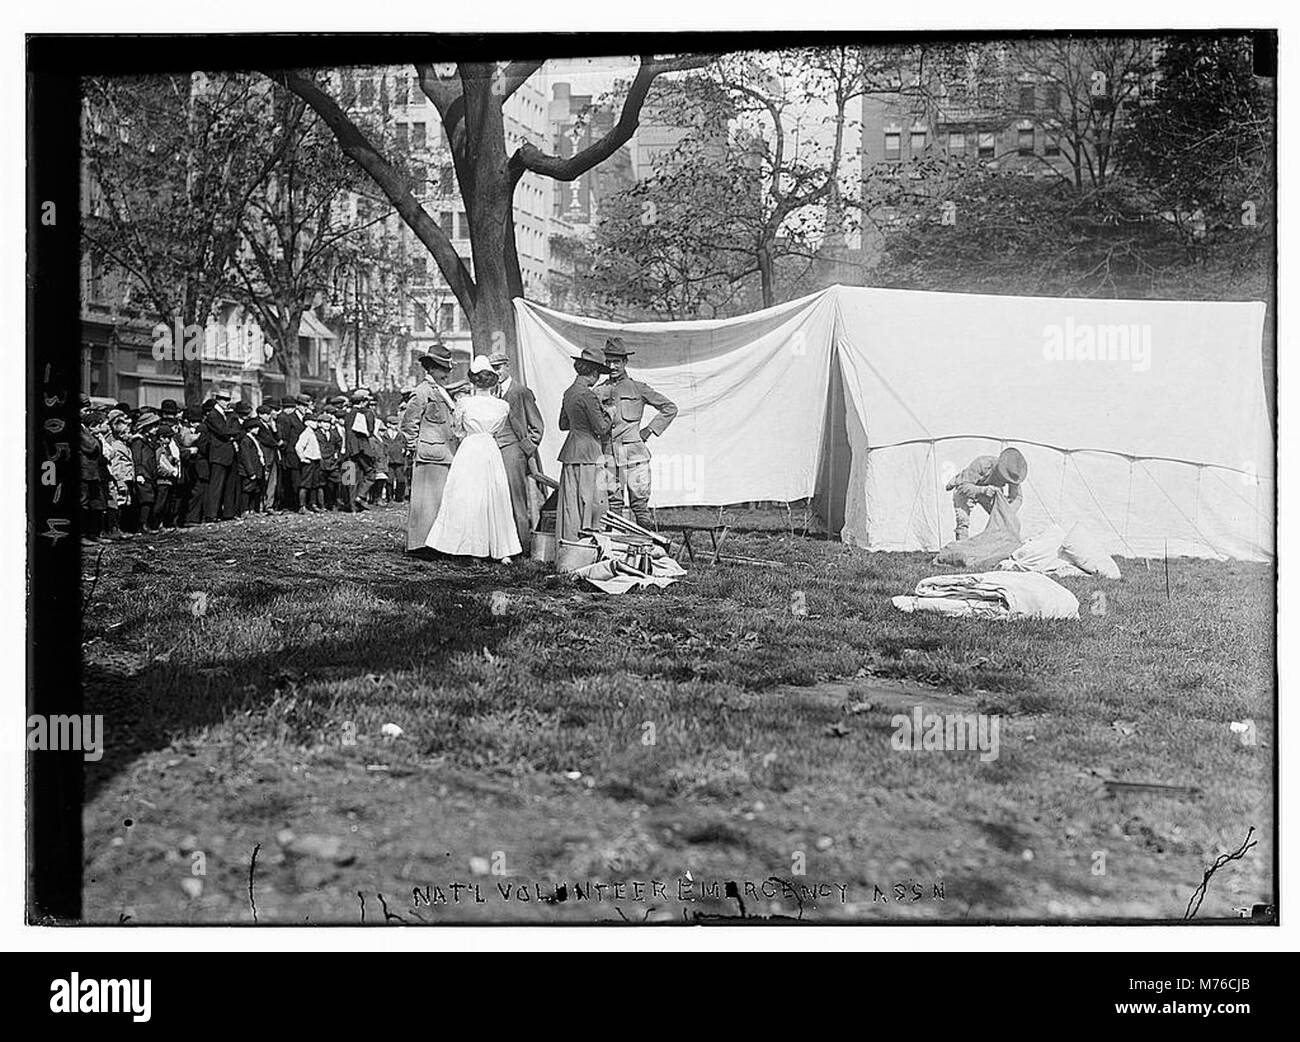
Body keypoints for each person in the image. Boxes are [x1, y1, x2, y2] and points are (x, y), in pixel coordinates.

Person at [425, 356, 521, 562]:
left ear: (473, 381)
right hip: (489, 448)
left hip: (470, 448)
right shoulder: (502, 406)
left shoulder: (464, 403)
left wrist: (471, 432)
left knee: (465, 496)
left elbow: (458, 430)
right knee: (493, 495)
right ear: (492, 381)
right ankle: (500, 549)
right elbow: (499, 429)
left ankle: (467, 547)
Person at [595, 336, 677, 529]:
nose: (612, 366)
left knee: (639, 505)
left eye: (617, 362)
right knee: (612, 505)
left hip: (634, 456)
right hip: (608, 456)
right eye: (609, 362)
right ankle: (616, 549)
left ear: (625, 362)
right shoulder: (599, 391)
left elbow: (669, 407)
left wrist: (648, 431)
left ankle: (648, 547)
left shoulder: (638, 388)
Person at [400, 348, 459, 552]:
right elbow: (409, 423)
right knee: (425, 503)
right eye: (442, 369)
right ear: (431, 369)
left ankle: (434, 544)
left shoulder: (441, 390)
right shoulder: (422, 391)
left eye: (447, 368)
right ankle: (420, 546)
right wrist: (414, 446)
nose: (446, 373)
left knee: (438, 503)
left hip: (444, 453)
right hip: (429, 454)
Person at [488, 350, 545, 554]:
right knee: (497, 499)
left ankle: (522, 546)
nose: (496, 373)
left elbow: (537, 427)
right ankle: (501, 546)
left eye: (499, 368)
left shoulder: (521, 392)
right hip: (494, 451)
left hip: (514, 451)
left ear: (507, 366)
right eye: (492, 369)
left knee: (516, 500)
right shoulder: (491, 393)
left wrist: (524, 448)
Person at [556, 345, 613, 543]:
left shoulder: (568, 392)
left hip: (571, 451)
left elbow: (563, 425)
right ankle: (588, 545)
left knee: (571, 503)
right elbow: (601, 428)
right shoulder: (588, 395)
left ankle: (569, 543)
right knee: (591, 502)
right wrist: (609, 413)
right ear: (594, 372)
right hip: (589, 452)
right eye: (598, 373)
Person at [944, 446, 1029, 542]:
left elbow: (1017, 497)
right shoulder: (982, 463)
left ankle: (999, 546)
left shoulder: (1013, 473)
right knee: (963, 521)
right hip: (967, 488)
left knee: (1005, 519)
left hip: (989, 494)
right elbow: (963, 487)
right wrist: (983, 490)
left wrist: (1008, 513)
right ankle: (960, 549)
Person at [202, 390, 238, 523]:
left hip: (227, 452)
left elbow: (238, 431)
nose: (227, 402)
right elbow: (222, 431)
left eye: (228, 400)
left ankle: (228, 513)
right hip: (218, 453)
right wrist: (232, 432)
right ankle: (211, 514)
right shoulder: (213, 415)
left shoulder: (227, 415)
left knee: (229, 485)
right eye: (224, 399)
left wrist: (232, 431)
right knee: (216, 485)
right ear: (218, 400)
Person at [79, 398, 107, 545]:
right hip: (83, 472)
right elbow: (91, 447)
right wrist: (97, 438)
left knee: (96, 503)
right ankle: (82, 535)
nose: (87, 413)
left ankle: (93, 533)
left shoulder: (84, 428)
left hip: (92, 472)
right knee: (83, 503)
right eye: (85, 410)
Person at [346, 388, 380, 511]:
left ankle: (352, 506)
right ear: (363, 402)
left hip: (350, 449)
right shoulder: (368, 413)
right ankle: (360, 496)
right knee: (371, 473)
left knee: (351, 478)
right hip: (362, 449)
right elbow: (370, 431)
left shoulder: (348, 414)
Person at [276, 394, 309, 510]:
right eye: (303, 405)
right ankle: (296, 504)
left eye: (306, 406)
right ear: (297, 406)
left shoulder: (305, 418)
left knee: (302, 478)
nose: (305, 408)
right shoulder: (288, 418)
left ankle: (300, 503)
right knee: (294, 480)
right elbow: (285, 437)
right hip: (292, 453)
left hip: (303, 453)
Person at [237, 415, 268, 514]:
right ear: (249, 429)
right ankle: (245, 510)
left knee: (256, 490)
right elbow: (246, 458)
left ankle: (253, 509)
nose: (258, 429)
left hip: (257, 469)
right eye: (255, 427)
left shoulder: (254, 439)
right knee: (247, 490)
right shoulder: (246, 441)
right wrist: (251, 472)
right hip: (250, 471)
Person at [294, 413, 325, 513]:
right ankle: (302, 506)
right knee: (305, 484)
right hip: (309, 462)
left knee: (314, 484)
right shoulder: (306, 434)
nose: (315, 423)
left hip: (315, 461)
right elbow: (298, 447)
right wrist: (302, 458)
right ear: (307, 423)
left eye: (316, 421)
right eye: (313, 421)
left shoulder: (312, 433)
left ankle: (313, 504)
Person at [255, 403, 282, 513]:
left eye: (268, 414)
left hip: (273, 456)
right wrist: (277, 443)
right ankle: (261, 506)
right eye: (265, 414)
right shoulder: (258, 425)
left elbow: (277, 438)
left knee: (272, 482)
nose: (268, 416)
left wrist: (274, 429)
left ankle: (269, 505)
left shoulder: (270, 425)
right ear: (260, 415)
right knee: (263, 482)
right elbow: (267, 440)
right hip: (265, 456)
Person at [383, 415, 408, 504]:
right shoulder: (384, 435)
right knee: (389, 480)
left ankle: (399, 498)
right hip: (389, 460)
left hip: (399, 460)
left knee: (401, 480)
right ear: (388, 424)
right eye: (393, 424)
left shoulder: (400, 435)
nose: (395, 426)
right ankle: (389, 498)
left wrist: (405, 451)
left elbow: (405, 445)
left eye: (396, 424)